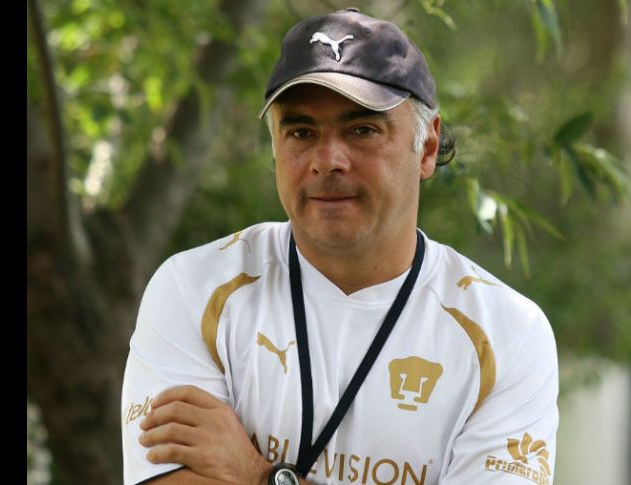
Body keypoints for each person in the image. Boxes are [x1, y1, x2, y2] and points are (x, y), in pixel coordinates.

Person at [122, 8, 559, 485]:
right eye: (301, 132)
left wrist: (257, 473)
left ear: (427, 147)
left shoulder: (508, 334)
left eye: (362, 130)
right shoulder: (194, 287)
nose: (328, 160)